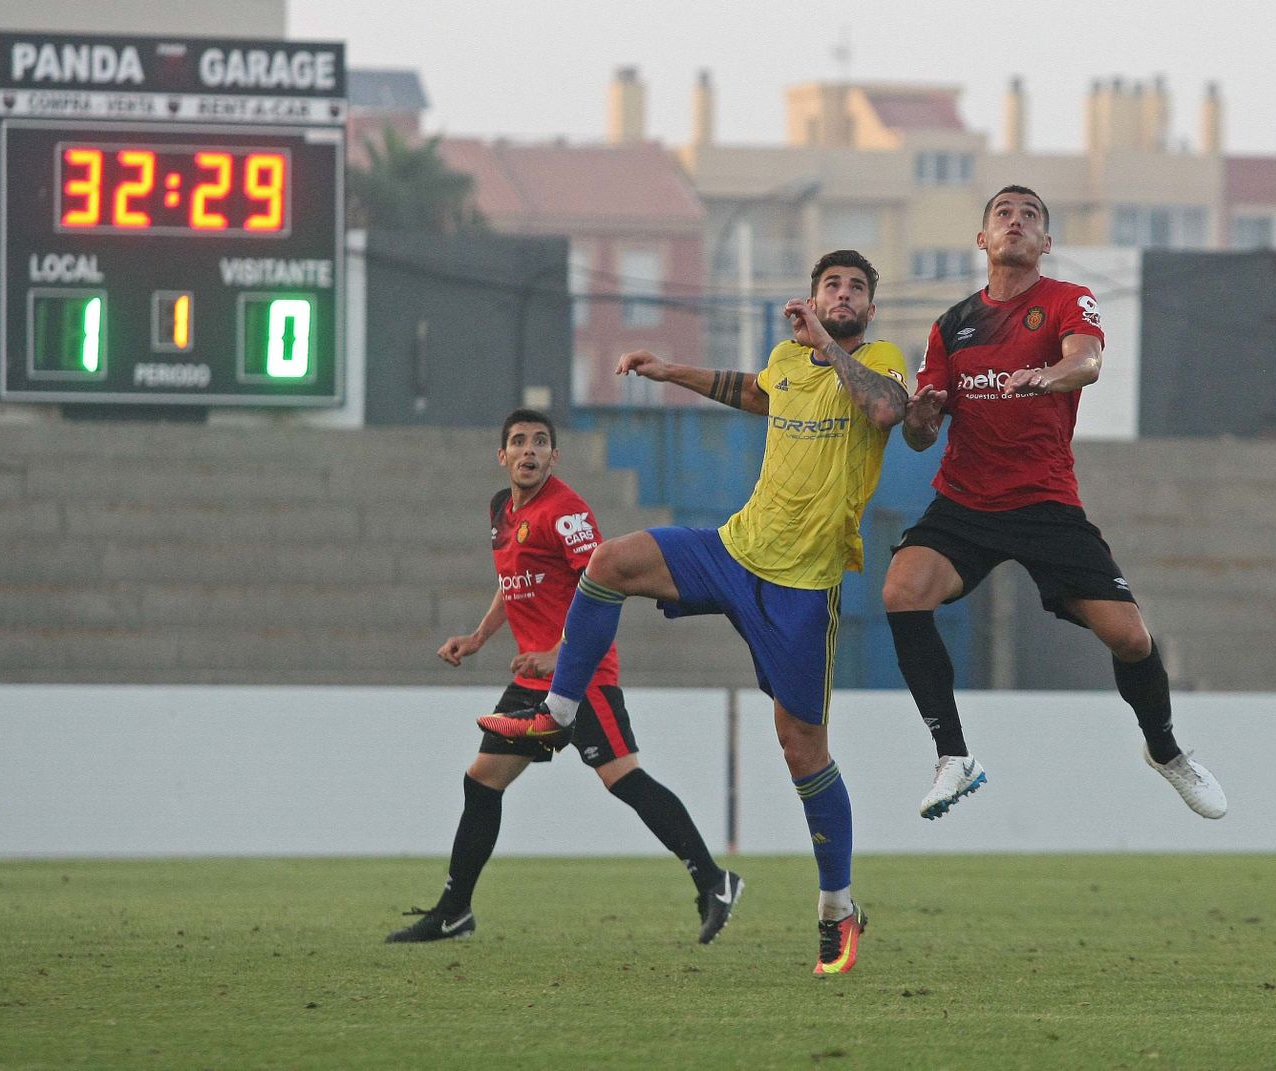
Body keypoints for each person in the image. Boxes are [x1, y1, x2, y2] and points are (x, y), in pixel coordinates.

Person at [479, 251, 909, 975]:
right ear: (812, 297)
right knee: (609, 562)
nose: (843, 294)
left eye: (856, 288)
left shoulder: (878, 360)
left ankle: (837, 908)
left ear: (869, 307)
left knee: (802, 748)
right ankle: (556, 712)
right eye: (831, 285)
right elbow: (755, 391)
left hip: (804, 586)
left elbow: (886, 410)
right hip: (735, 551)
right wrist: (669, 371)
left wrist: (828, 347)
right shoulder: (788, 360)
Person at [883, 185, 1228, 822]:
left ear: (1046, 242)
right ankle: (953, 756)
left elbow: (1087, 362)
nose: (1016, 222)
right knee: (901, 591)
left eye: (1030, 216)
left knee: (1130, 639)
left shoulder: (1067, 300)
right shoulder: (951, 326)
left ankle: (1166, 751)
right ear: (983, 239)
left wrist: (1045, 376)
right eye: (1003, 214)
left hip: (1045, 502)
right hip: (964, 501)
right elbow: (920, 435)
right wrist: (922, 417)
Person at [386, 409, 743, 945]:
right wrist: (479, 637)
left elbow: (604, 586)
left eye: (539, 442)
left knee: (623, 778)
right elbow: (514, 580)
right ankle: (454, 912)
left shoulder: (568, 512)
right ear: (502, 456)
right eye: (518, 442)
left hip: (581, 673)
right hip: (534, 678)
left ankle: (714, 880)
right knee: (482, 781)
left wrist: (561, 653)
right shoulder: (501, 509)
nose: (528, 450)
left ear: (554, 456)